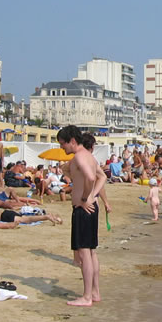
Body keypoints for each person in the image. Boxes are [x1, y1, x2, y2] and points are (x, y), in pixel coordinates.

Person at [57, 125, 104, 307]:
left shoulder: (79, 156)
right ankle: (95, 292)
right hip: (90, 207)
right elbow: (101, 177)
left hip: (83, 209)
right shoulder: (89, 156)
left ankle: (86, 297)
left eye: (63, 144)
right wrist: (93, 195)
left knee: (85, 253)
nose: (62, 148)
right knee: (91, 252)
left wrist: (85, 197)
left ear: (73, 141)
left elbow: (92, 178)